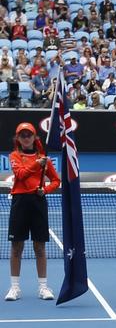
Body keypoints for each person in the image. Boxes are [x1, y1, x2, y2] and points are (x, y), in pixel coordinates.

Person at [5, 122, 61, 301]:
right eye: (23, 135)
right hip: (19, 202)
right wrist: (37, 165)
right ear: (18, 139)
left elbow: (56, 181)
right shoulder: (14, 156)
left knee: (40, 247)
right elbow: (20, 175)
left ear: (35, 137)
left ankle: (43, 288)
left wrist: (45, 190)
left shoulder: (43, 158)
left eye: (29, 135)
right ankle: (14, 288)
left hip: (38, 203)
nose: (26, 138)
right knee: (16, 247)